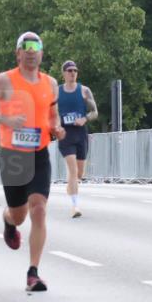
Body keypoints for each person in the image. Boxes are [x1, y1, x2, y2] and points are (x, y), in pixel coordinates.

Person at [0, 32, 66, 292]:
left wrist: (57, 128)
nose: (30, 51)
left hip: (39, 153)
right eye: (25, 46)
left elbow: (53, 116)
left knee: (39, 208)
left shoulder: (50, 84)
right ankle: (7, 220)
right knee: (19, 215)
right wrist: (6, 120)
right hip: (13, 155)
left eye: (35, 46)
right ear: (18, 53)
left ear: (41, 53)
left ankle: (33, 273)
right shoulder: (5, 80)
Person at [57, 60, 98, 217]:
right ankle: (75, 206)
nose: (73, 72)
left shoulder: (84, 91)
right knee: (73, 171)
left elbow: (95, 112)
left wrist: (85, 119)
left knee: (79, 173)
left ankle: (71, 186)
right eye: (69, 70)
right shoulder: (56, 92)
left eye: (75, 70)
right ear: (64, 73)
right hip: (65, 135)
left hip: (81, 134)